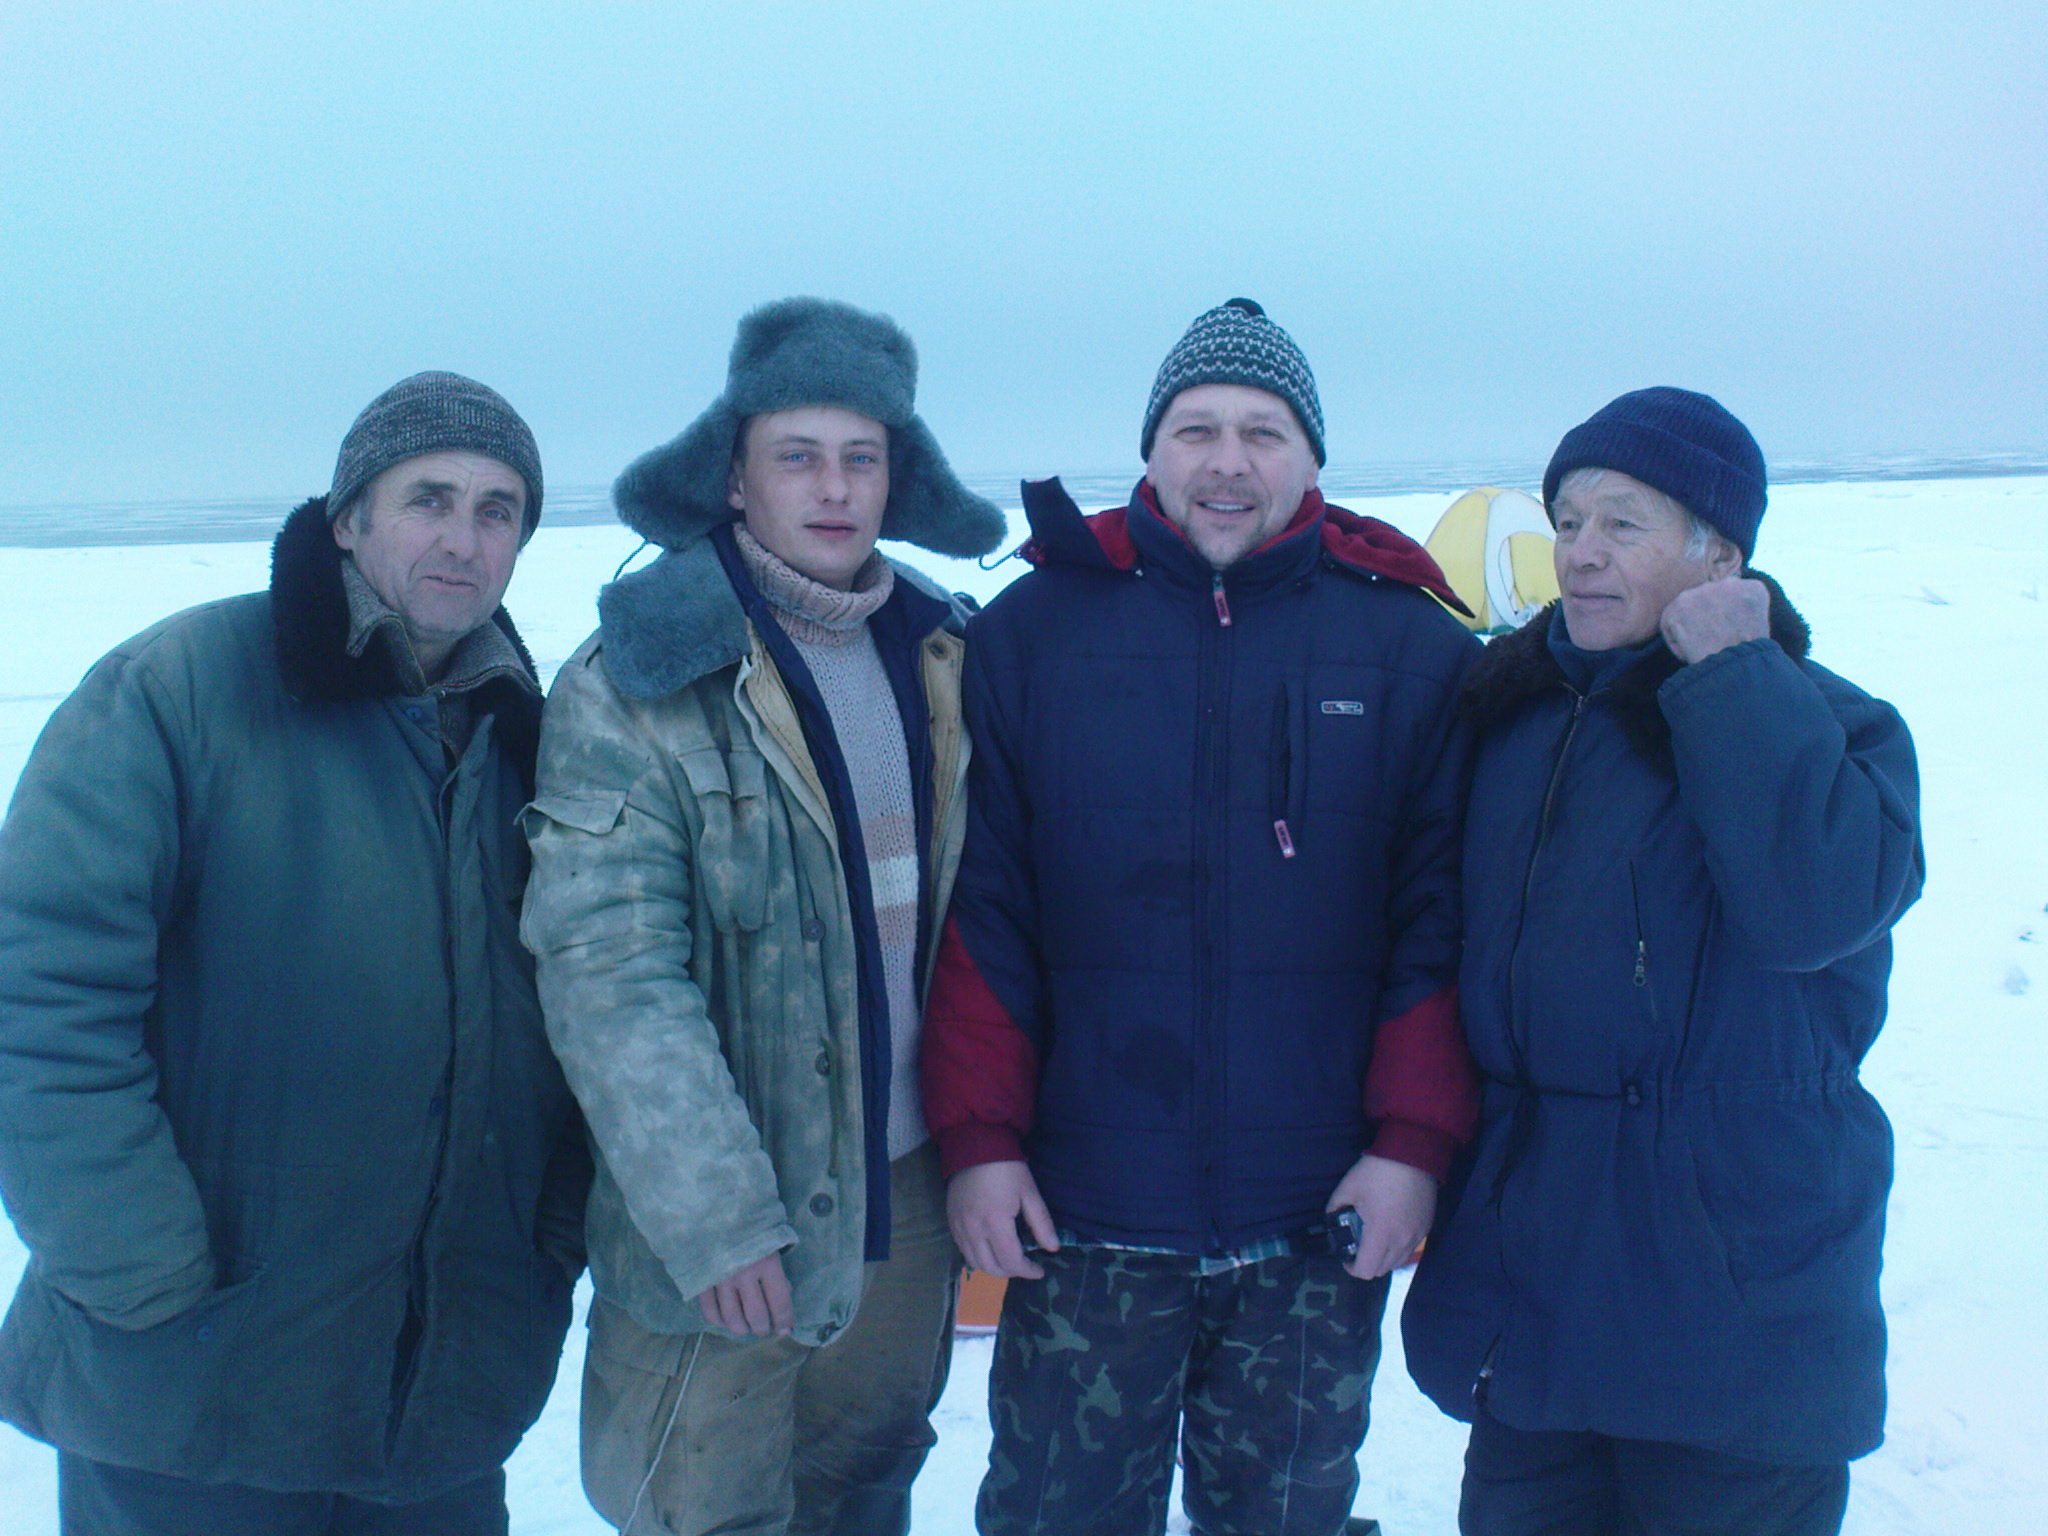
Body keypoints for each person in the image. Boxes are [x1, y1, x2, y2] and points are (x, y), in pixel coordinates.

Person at [922, 298, 1482, 1536]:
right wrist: (979, 1139)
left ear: (1310, 457)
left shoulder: (1407, 647)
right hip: (1084, 1209)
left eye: (1262, 432)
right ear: (1151, 450)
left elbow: (1437, 917)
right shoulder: (1032, 635)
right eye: (1196, 430)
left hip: (1315, 1215)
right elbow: (983, 907)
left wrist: (1410, 1146)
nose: (1227, 462)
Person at [0, 372, 590, 1534]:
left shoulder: (535, 742)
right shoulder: (179, 691)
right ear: (347, 519)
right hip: (189, 1391)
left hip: (436, 1406)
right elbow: (38, 998)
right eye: (428, 499)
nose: (462, 540)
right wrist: (136, 1273)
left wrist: (543, 1245)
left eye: (498, 510)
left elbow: (582, 1020)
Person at [520, 297, 1006, 1535]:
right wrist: (715, 1217)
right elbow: (608, 968)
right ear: (734, 478)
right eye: (797, 455)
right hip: (733, 1225)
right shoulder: (640, 674)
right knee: (704, 1514)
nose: (832, 487)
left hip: (905, 1196)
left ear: (896, 479)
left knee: (860, 1496)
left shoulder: (949, 655)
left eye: (861, 457)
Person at [1401, 388, 1924, 1536]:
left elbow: (1812, 909)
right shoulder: (1507, 718)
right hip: (1532, 1302)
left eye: (1622, 524)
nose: (1578, 553)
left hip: (1732, 1312)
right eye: (1566, 520)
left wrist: (1731, 674)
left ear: (1720, 555)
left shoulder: (1833, 727)